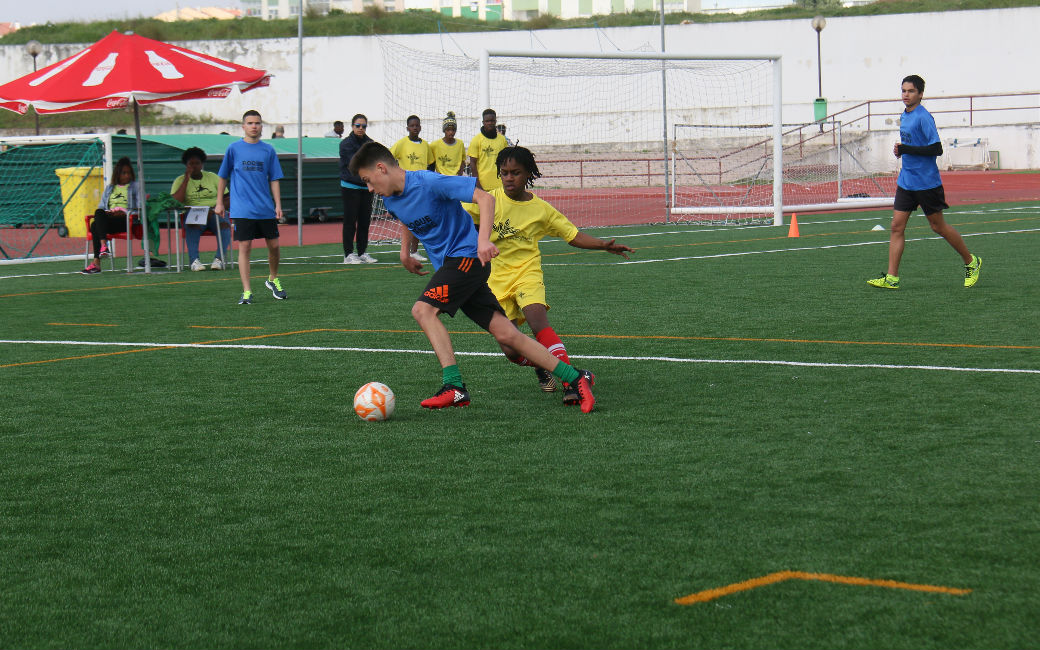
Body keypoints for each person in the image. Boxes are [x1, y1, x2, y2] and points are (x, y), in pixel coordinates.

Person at [348, 141, 597, 413]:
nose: (369, 188)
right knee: (506, 334)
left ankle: (454, 386)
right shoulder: (390, 198)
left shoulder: (430, 182)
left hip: (467, 257)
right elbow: (407, 218)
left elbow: (485, 198)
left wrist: (481, 242)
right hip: (452, 266)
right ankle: (576, 377)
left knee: (423, 311)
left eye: (368, 180)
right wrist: (405, 252)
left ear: (381, 168)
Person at [486, 146, 633, 405]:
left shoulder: (541, 209)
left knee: (537, 322)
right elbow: (453, 213)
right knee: (510, 349)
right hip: (495, 280)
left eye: (516, 173)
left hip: (526, 274)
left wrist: (603, 245)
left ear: (528, 174)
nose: (509, 178)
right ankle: (544, 364)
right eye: (504, 173)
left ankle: (571, 381)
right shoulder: (488, 200)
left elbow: (572, 235)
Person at [868, 74, 981, 290]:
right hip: (906, 181)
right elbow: (911, 145)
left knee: (938, 227)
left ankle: (971, 262)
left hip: (927, 183)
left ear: (920, 94)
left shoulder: (923, 117)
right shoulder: (905, 115)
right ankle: (892, 278)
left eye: (910, 91)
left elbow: (936, 149)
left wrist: (906, 149)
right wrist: (901, 152)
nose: (906, 95)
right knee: (896, 226)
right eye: (903, 91)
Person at [215, 110, 286, 304]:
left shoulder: (268, 150)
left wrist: (278, 204)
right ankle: (247, 291)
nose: (254, 126)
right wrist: (220, 201)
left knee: (274, 245)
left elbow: (275, 179)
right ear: (243, 126)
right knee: (245, 247)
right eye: (250, 123)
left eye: (257, 123)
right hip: (242, 209)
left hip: (264, 207)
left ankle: (273, 279)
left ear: (262, 126)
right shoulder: (233, 149)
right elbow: (223, 176)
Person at [81, 156, 166, 274]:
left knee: (95, 225)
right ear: (118, 174)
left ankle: (97, 261)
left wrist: (125, 212)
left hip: (127, 220)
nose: (127, 176)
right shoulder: (110, 188)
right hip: (110, 219)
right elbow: (101, 206)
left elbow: (141, 207)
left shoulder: (136, 186)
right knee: (98, 213)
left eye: (129, 173)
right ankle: (103, 247)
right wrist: (110, 213)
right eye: (124, 173)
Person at [170, 147, 231, 271]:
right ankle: (194, 261)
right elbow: (176, 202)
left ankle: (219, 259)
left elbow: (228, 198)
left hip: (214, 211)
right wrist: (186, 179)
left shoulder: (213, 177)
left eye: (197, 163)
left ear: (202, 164)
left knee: (224, 224)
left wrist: (215, 209)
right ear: (186, 165)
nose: (194, 166)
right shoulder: (179, 180)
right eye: (191, 164)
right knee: (192, 225)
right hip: (193, 212)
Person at [390, 114, 435, 262]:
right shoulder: (401, 144)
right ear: (407, 128)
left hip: (421, 187)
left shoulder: (425, 145)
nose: (415, 128)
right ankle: (406, 250)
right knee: (407, 219)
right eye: (412, 126)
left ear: (420, 127)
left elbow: (431, 163)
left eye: (417, 125)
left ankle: (414, 250)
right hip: (406, 186)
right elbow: (389, 157)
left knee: (420, 219)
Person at [338, 113, 377, 264]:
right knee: (350, 221)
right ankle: (348, 254)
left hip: (366, 188)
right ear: (352, 126)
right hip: (350, 187)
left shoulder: (370, 143)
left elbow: (372, 163)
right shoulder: (346, 144)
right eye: (358, 126)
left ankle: (362, 252)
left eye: (364, 126)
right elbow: (354, 166)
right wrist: (368, 181)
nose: (361, 128)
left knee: (364, 221)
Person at [467, 108, 508, 193]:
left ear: (495, 121)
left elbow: (506, 161)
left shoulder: (502, 140)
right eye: (487, 121)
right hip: (483, 185)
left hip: (500, 185)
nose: (490, 123)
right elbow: (472, 164)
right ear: (483, 122)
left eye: (492, 121)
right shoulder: (476, 140)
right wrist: (477, 184)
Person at [430, 111, 465, 176]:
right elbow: (430, 162)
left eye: (453, 130)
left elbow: (463, 160)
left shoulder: (460, 144)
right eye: (448, 130)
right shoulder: (434, 145)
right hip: (441, 179)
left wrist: (460, 174)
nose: (451, 132)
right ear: (444, 130)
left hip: (455, 178)